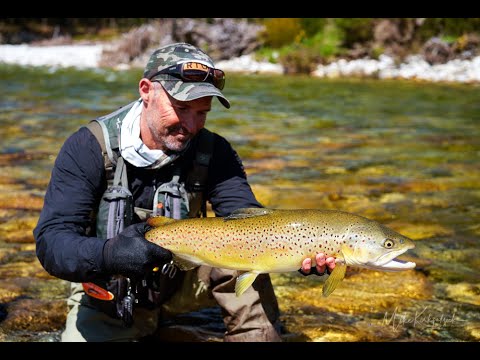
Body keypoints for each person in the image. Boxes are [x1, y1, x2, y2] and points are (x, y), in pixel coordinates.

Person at [33, 42, 336, 342]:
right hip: (111, 290)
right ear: (145, 90)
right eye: (181, 108)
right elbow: (52, 242)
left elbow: (249, 220)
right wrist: (109, 254)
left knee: (245, 251)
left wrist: (302, 252)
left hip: (185, 284)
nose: (191, 125)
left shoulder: (216, 151)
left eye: (202, 112)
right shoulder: (87, 148)